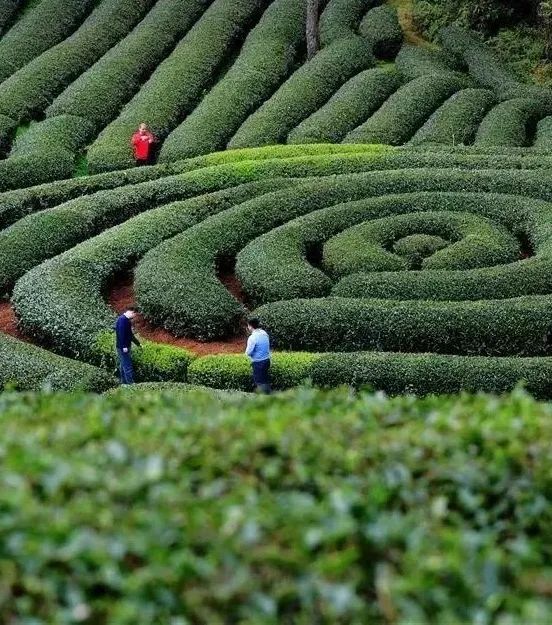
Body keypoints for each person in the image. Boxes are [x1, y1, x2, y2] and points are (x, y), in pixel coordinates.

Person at [245, 317, 271, 394]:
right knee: (265, 380)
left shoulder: (252, 337)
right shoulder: (264, 333)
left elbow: (248, 352)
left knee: (259, 383)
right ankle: (269, 396)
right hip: (267, 360)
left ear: (250, 326)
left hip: (258, 363)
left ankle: (263, 400)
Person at [115, 307, 141, 384]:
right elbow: (121, 334)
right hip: (123, 347)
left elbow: (130, 335)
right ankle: (130, 384)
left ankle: (123, 383)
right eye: (134, 315)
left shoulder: (126, 320)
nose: (134, 317)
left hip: (124, 346)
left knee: (123, 365)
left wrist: (138, 344)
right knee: (127, 366)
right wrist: (124, 347)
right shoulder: (122, 320)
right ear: (132, 312)